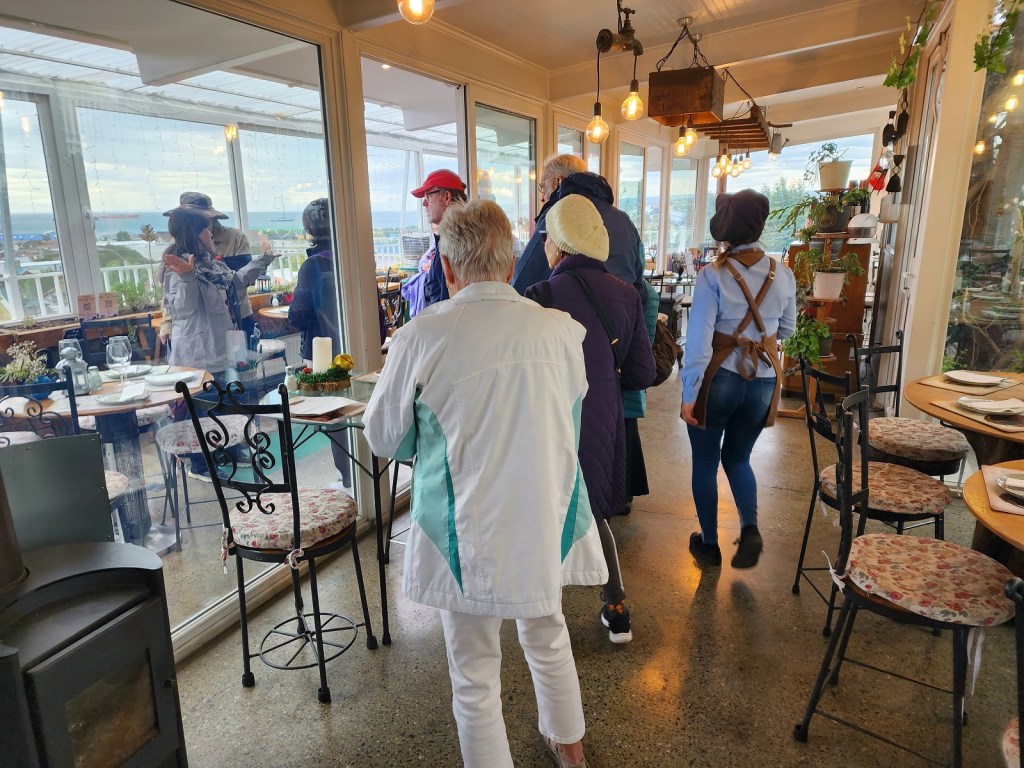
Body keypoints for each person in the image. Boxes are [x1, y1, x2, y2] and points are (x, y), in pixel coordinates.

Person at [363, 200, 606, 768]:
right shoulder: (559, 332)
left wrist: (425, 436)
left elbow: (383, 436)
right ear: (510, 263)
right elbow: (569, 413)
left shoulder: (422, 336)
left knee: (473, 669)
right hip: (543, 510)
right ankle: (571, 751)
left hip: (463, 525)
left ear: (448, 268)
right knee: (547, 632)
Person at [526, 194, 656, 644]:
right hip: (603, 416)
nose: (544, 244)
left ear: (560, 244)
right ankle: (616, 607)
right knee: (594, 510)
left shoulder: (540, 296)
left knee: (548, 509)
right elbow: (642, 373)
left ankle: (541, 608)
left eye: (546, 237)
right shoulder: (626, 294)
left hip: (550, 419)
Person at [680, 189, 797, 569]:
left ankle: (709, 545)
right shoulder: (784, 273)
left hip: (720, 378)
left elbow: (699, 343)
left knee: (705, 462)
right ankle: (749, 528)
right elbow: (788, 330)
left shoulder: (712, 275)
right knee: (739, 458)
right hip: (763, 380)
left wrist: (689, 392)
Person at [512, 155, 646, 302]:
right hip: (622, 312)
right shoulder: (624, 220)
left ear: (558, 182)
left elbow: (522, 280)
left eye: (543, 187)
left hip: (569, 311)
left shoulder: (557, 216)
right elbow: (639, 286)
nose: (542, 197)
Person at [288, 198, 355, 492]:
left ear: (310, 230)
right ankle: (359, 476)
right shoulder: (350, 256)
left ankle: (348, 478)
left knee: (335, 417)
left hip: (323, 354)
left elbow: (298, 315)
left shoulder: (313, 264)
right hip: (353, 346)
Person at [159, 192, 272, 346]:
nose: (209, 232)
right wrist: (167, 323)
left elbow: (235, 280)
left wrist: (264, 260)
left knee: (243, 359)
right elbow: (177, 303)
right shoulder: (178, 262)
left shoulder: (232, 239)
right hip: (202, 336)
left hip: (236, 318)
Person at [412, 169, 468, 308]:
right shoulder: (447, 237)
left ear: (447, 197)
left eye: (428, 196)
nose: (424, 203)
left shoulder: (461, 239)